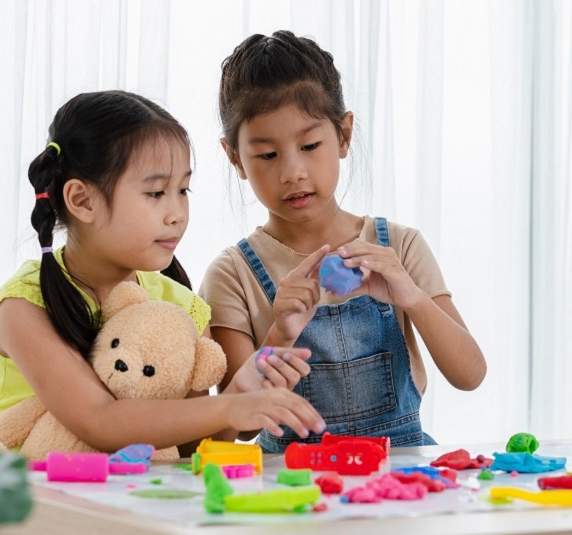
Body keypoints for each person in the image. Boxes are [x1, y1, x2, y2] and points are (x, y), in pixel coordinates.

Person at [0, 90, 325, 456]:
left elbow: (191, 449)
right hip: (13, 489)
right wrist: (228, 407)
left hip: (117, 492)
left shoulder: (181, 306)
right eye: (155, 193)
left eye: (182, 189)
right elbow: (99, 420)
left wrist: (246, 384)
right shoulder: (24, 307)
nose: (177, 214)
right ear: (82, 201)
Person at [200, 31, 486, 453]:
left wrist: (411, 296)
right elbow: (234, 428)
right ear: (235, 158)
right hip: (291, 484)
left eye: (309, 145)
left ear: (344, 135)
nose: (293, 172)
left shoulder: (400, 246)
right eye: (267, 155)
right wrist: (281, 334)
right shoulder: (232, 273)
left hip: (396, 474)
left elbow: (470, 375)